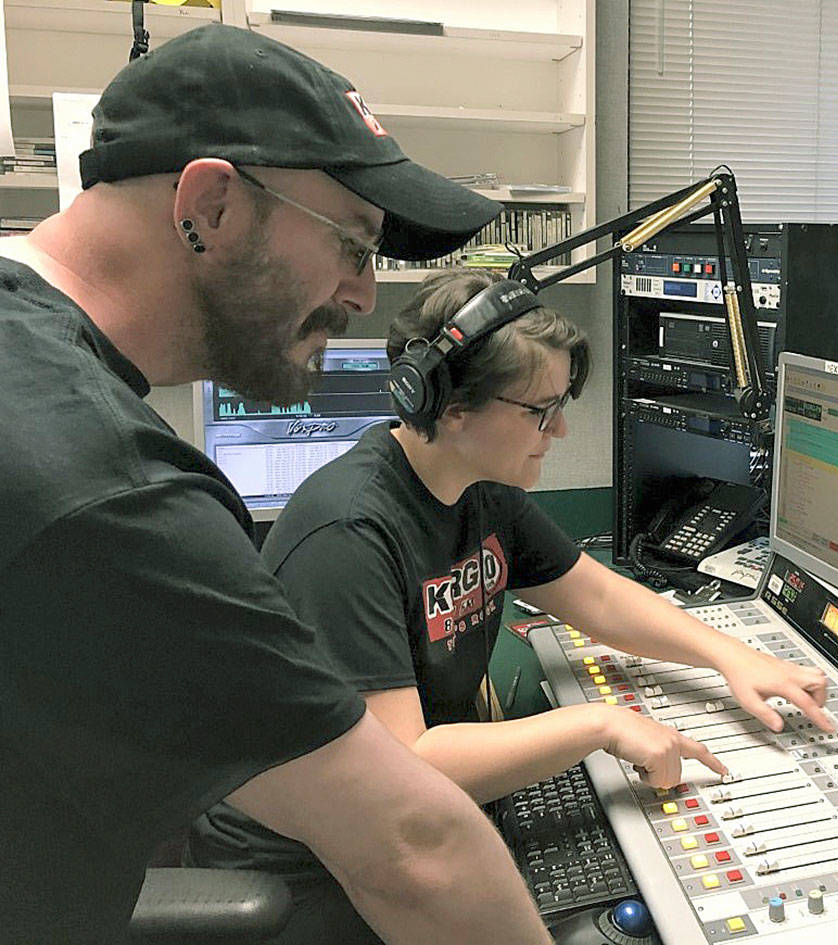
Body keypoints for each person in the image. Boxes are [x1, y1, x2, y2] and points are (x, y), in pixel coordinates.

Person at [0, 25, 555, 945]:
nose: (366, 294)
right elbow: (416, 848)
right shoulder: (105, 485)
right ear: (210, 206)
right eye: (353, 244)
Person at [187, 268, 835, 942]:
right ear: (450, 405)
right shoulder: (348, 534)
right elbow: (408, 763)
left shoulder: (480, 489)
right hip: (310, 871)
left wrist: (730, 657)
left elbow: (598, 596)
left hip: (409, 830)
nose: (556, 429)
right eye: (538, 409)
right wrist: (600, 726)